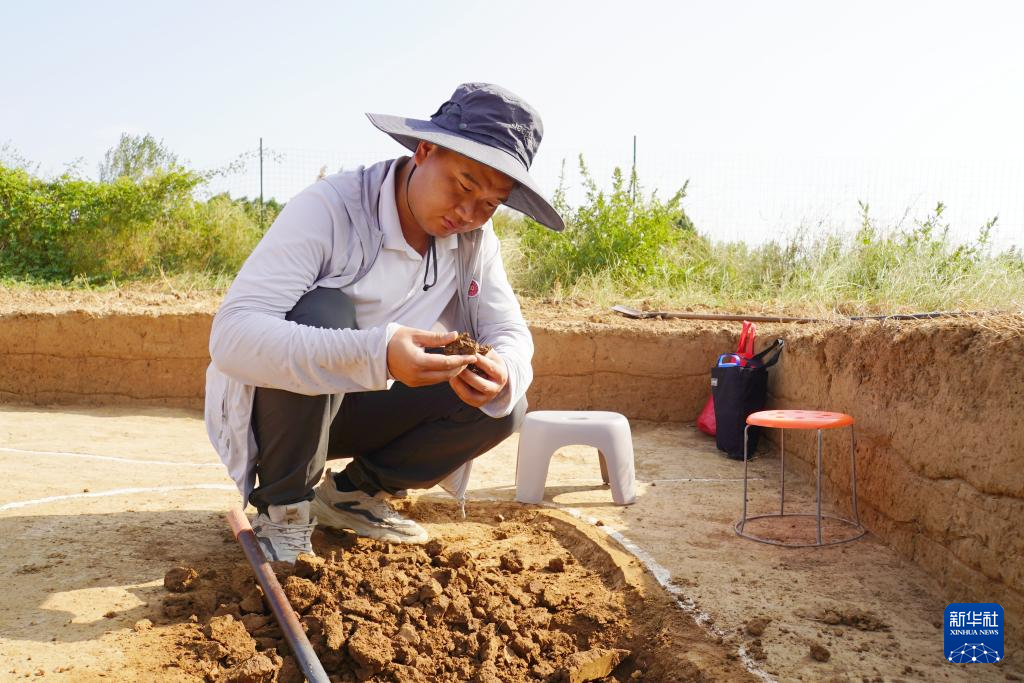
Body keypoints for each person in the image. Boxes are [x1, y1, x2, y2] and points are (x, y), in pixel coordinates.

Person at [204, 83, 564, 562]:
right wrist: (378, 353)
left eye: (489, 203)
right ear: (426, 149)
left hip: (366, 411)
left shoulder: (476, 239)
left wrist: (505, 372)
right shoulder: (331, 208)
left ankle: (352, 495)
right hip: (283, 414)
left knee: (505, 402)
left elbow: (511, 334)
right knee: (327, 311)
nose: (468, 212)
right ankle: (285, 509)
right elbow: (231, 337)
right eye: (464, 185)